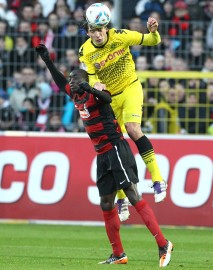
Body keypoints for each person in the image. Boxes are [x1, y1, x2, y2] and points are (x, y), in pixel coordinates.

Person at [35, 43, 174, 267]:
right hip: (101, 155)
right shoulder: (76, 96)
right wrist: (47, 61)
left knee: (132, 194)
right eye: (71, 78)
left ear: (85, 80)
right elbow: (60, 82)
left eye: (75, 77)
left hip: (116, 148)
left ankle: (163, 243)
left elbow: (108, 99)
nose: (71, 81)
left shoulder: (97, 93)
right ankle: (118, 254)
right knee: (105, 202)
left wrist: (90, 87)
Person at [79, 3, 167, 222]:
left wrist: (153, 31)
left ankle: (157, 179)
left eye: (101, 29)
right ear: (88, 31)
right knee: (112, 143)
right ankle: (121, 197)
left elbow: (152, 41)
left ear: (106, 28)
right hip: (110, 99)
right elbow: (91, 78)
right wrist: (95, 85)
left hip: (130, 88)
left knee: (132, 129)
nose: (98, 34)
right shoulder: (85, 51)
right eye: (93, 30)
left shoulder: (122, 36)